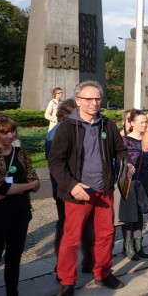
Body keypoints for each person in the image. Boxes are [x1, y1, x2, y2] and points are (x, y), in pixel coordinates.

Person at [48, 81, 132, 295]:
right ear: (78, 101)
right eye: (89, 99)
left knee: (106, 234)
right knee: (71, 237)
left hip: (104, 190)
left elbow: (120, 150)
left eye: (97, 99)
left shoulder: (107, 124)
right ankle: (67, 280)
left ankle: (103, 272)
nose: (94, 103)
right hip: (78, 192)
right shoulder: (67, 127)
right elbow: (55, 162)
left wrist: (126, 163)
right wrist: (71, 185)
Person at [0, 113, 40, 296]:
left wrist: (12, 190)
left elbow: (35, 183)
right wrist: (20, 188)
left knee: (14, 257)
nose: (10, 136)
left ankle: (13, 292)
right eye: (5, 133)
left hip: (20, 213)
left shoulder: (21, 153)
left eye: (12, 131)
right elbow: (1, 185)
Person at [45, 99, 94, 278]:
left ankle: (88, 262)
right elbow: (57, 166)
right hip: (66, 190)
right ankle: (63, 268)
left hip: (82, 186)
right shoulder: (56, 135)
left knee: (87, 225)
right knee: (67, 229)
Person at [120, 109, 148, 260]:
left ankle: (139, 244)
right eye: (141, 122)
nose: (144, 125)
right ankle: (128, 246)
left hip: (144, 178)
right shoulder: (125, 140)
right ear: (132, 123)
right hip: (130, 180)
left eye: (146, 122)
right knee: (129, 213)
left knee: (140, 211)